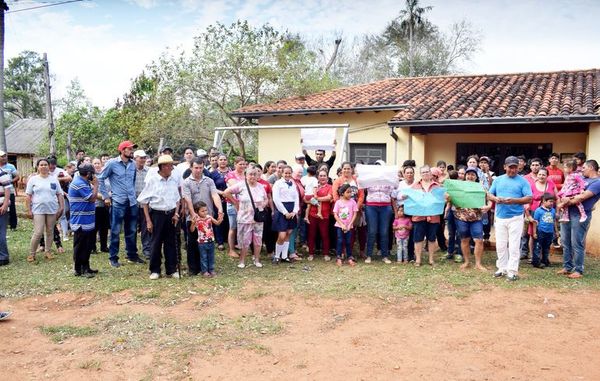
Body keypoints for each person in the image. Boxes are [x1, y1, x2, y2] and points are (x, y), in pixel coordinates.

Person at [99, 140, 145, 267]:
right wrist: (106, 196)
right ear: (122, 150)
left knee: (131, 230)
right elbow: (100, 178)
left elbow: (133, 181)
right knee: (115, 231)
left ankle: (132, 255)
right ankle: (113, 257)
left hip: (132, 202)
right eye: (130, 149)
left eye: (132, 149)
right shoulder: (112, 163)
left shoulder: (132, 164)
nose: (132, 151)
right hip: (118, 202)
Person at [488, 156, 533, 281]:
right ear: (504, 167)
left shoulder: (523, 181)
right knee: (501, 245)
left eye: (515, 168)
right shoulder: (498, 180)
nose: (512, 170)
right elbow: (489, 194)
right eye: (510, 167)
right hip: (500, 216)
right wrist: (495, 199)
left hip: (516, 217)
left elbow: (529, 198)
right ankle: (502, 268)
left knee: (514, 245)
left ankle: (512, 271)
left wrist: (514, 201)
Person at [137, 155, 181, 280]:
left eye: (171, 165)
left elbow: (177, 199)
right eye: (169, 166)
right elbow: (144, 201)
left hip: (171, 214)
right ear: (162, 167)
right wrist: (148, 221)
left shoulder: (173, 180)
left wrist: (177, 213)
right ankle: (155, 270)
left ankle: (171, 269)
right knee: (155, 243)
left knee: (171, 243)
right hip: (157, 215)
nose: (171, 168)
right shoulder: (153, 180)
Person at [557, 159, 600, 279]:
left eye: (584, 168)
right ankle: (567, 267)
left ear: (591, 167)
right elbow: (567, 188)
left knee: (577, 242)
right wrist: (563, 199)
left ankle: (578, 270)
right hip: (568, 212)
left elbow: (582, 197)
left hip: (580, 215)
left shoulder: (597, 182)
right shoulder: (580, 178)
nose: (581, 170)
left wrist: (565, 202)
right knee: (565, 241)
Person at [182, 157, 223, 275]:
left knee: (207, 244)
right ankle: (193, 269)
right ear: (191, 168)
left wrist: (220, 209)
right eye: (196, 168)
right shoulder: (186, 183)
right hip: (193, 219)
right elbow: (188, 199)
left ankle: (206, 268)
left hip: (208, 219)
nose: (198, 170)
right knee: (193, 244)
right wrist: (193, 213)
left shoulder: (209, 181)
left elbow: (215, 195)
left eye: (200, 168)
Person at [222, 165, 268, 269]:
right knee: (244, 240)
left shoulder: (261, 186)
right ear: (246, 175)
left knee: (258, 240)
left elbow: (266, 199)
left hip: (258, 218)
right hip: (244, 218)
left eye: (255, 174)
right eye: (250, 174)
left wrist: (262, 205)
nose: (252, 176)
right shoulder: (241, 185)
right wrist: (235, 203)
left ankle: (257, 259)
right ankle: (242, 260)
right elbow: (226, 192)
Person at [449, 167, 492, 271]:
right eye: (468, 174)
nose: (470, 176)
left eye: (473, 174)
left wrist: (488, 206)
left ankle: (478, 264)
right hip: (461, 217)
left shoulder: (480, 187)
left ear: (476, 177)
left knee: (479, 240)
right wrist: (447, 197)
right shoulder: (458, 186)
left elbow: (490, 199)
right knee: (464, 240)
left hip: (476, 218)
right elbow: (450, 198)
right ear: (464, 176)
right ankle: (467, 261)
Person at [25, 158, 65, 262]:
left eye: (45, 165)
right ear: (37, 167)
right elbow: (28, 196)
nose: (44, 166)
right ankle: (32, 254)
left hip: (52, 209)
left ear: (49, 166)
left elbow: (59, 194)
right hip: (38, 209)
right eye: (41, 165)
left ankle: (48, 251)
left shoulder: (54, 179)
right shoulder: (33, 179)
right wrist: (28, 210)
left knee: (50, 231)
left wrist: (61, 207)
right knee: (38, 232)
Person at [68, 164, 98, 278]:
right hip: (81, 221)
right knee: (80, 246)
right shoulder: (79, 184)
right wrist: (96, 185)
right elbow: (92, 198)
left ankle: (86, 267)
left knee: (87, 245)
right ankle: (78, 269)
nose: (94, 176)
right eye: (92, 174)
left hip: (87, 220)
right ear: (89, 174)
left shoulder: (84, 183)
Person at [411, 165, 442, 267]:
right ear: (420, 174)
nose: (425, 174)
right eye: (423, 172)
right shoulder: (415, 186)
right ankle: (418, 260)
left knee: (432, 238)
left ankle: (431, 259)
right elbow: (411, 199)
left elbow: (440, 200)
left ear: (430, 173)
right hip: (419, 215)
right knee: (418, 238)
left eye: (427, 171)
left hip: (433, 216)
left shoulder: (437, 186)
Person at [272, 165, 299, 263]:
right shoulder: (278, 184)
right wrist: (285, 212)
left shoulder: (293, 183)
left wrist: (295, 211)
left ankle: (284, 256)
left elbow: (296, 198)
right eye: (285, 173)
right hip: (282, 210)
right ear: (282, 173)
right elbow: (276, 199)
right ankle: (277, 256)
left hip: (292, 210)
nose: (287, 175)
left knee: (288, 233)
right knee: (282, 235)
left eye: (289, 173)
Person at [305, 169, 333, 261]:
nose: (322, 177)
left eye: (324, 175)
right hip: (312, 214)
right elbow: (308, 198)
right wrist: (314, 199)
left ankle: (326, 254)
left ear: (327, 177)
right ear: (318, 177)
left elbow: (329, 198)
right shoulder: (314, 187)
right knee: (311, 234)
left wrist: (317, 198)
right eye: (320, 176)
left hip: (324, 214)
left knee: (324, 234)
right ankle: (311, 254)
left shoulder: (330, 187)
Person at [190, 201, 220, 277]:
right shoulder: (196, 220)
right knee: (203, 257)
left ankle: (211, 270)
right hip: (202, 242)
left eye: (206, 210)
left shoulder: (209, 217)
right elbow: (192, 230)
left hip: (211, 240)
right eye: (202, 211)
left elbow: (217, 223)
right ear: (197, 212)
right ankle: (204, 271)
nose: (205, 212)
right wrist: (193, 223)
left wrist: (220, 218)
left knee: (211, 256)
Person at [393, 165, 416, 261]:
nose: (409, 174)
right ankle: (399, 255)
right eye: (407, 173)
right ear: (404, 174)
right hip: (401, 211)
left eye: (411, 172)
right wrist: (396, 212)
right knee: (400, 232)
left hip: (413, 211)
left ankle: (410, 255)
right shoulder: (399, 184)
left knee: (412, 233)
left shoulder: (417, 184)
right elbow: (393, 198)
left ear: (414, 174)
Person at [224, 157, 247, 258]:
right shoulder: (230, 175)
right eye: (240, 164)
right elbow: (236, 188)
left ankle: (242, 247)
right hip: (233, 204)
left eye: (244, 164)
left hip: (245, 204)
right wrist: (235, 203)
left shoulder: (246, 174)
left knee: (244, 227)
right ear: (235, 164)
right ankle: (231, 249)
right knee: (233, 227)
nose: (242, 166)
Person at [333, 184, 358, 267]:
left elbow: (355, 213)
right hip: (340, 226)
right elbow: (335, 215)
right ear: (342, 193)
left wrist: (350, 224)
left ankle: (349, 257)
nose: (350, 194)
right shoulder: (338, 202)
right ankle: (339, 257)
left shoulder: (353, 202)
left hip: (349, 226)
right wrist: (341, 224)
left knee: (348, 241)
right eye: (348, 192)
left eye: (351, 192)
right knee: (340, 241)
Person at [133, 150, 151, 259]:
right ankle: (132, 250)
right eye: (141, 158)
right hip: (133, 203)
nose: (143, 160)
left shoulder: (149, 171)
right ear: (135, 159)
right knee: (132, 228)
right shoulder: (130, 170)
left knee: (146, 227)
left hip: (146, 204)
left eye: (144, 158)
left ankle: (147, 249)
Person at [531, 193, 556, 269]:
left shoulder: (553, 211)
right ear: (544, 201)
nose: (552, 203)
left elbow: (554, 221)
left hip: (550, 232)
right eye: (550, 201)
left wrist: (556, 231)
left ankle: (545, 261)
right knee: (537, 247)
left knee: (547, 247)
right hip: (540, 231)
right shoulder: (538, 211)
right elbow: (535, 222)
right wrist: (534, 232)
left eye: (552, 201)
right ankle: (536, 262)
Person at [91, 158, 110, 253]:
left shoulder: (106, 176)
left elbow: (110, 188)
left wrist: (108, 196)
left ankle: (104, 246)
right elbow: (92, 192)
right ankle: (92, 247)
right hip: (95, 205)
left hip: (106, 206)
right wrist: (105, 197)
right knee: (94, 228)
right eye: (95, 163)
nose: (97, 165)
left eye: (98, 163)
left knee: (104, 227)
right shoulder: (90, 177)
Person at [0, 150, 19, 230]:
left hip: (9, 190)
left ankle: (13, 225)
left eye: (5, 156)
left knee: (11, 208)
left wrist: (9, 182)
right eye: (2, 156)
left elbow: (17, 177)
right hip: (0, 191)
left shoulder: (11, 166)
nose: (4, 158)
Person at [0, 163, 12, 266]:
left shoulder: (3, 174)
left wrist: (5, 204)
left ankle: (4, 257)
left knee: (1, 233)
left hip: (1, 207)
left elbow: (8, 190)